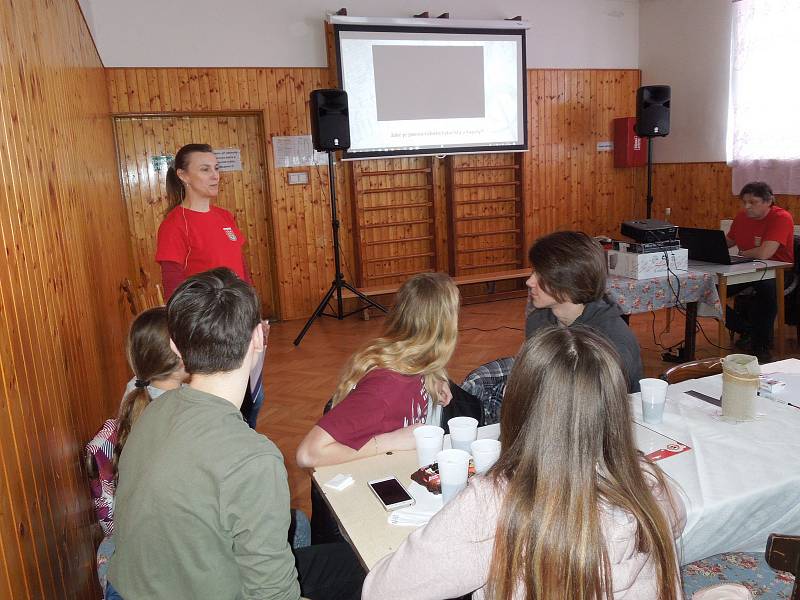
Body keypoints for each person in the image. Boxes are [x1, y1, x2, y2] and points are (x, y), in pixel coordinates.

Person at [362, 326, 686, 600]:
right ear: (614, 409)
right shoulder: (651, 484)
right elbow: (677, 520)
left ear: (517, 403)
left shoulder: (494, 502)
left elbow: (383, 590)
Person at [106, 268, 363, 600]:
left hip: (134, 587)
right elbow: (274, 596)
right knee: (366, 570)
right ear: (258, 338)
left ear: (175, 346)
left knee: (351, 562)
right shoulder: (253, 458)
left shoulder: (152, 410)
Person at [295, 272, 458, 469]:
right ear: (443, 331)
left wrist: (435, 378)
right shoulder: (386, 387)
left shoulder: (413, 362)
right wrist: (392, 441)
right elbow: (308, 454)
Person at [155, 143, 265, 427]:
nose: (215, 175)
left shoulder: (224, 217)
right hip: (211, 329)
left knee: (253, 399)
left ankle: (241, 447)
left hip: (242, 321)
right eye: (205, 169)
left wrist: (255, 316)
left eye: (216, 168)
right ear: (183, 175)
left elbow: (242, 270)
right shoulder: (175, 223)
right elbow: (172, 285)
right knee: (225, 406)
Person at [86, 307, 187, 592]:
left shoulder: (135, 389)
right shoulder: (180, 412)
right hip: (165, 550)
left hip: (136, 536)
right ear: (181, 354)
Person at [525, 230, 643, 392]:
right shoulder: (537, 322)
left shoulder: (613, 341)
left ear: (570, 281)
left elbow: (605, 405)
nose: (529, 281)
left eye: (541, 275)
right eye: (533, 272)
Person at [725, 181, 795, 360]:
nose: (746, 207)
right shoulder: (741, 217)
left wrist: (742, 253)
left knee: (767, 288)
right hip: (747, 268)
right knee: (707, 290)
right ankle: (747, 329)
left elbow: (765, 253)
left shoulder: (782, 217)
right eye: (744, 202)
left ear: (768, 201)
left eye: (752, 202)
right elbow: (728, 241)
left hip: (779, 271)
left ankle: (761, 346)